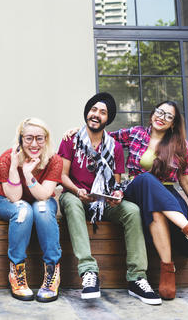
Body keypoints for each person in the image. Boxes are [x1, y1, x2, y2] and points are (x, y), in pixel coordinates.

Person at [109, 100, 188, 300]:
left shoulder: (182, 146)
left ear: (173, 123)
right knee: (146, 178)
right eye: (159, 112)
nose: (161, 118)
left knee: (157, 210)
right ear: (153, 113)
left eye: (168, 116)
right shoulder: (136, 133)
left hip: (166, 196)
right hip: (135, 190)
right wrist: (79, 130)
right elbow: (103, 138)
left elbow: (186, 181)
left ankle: (167, 269)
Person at [59, 93, 161, 305]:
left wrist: (116, 195)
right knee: (69, 200)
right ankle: (88, 272)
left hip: (101, 202)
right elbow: (62, 176)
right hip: (77, 197)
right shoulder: (71, 139)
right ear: (87, 112)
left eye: (102, 112)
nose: (96, 114)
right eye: (93, 110)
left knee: (132, 210)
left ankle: (137, 277)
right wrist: (78, 190)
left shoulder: (113, 146)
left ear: (108, 118)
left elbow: (115, 182)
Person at [0, 118, 63, 302]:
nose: (34, 144)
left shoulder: (54, 160)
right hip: (8, 202)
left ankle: (52, 273)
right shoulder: (7, 158)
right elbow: (15, 197)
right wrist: (16, 167)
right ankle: (16, 273)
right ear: (20, 139)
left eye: (39, 138)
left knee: (41, 209)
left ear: (46, 139)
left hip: (40, 200)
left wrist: (28, 174)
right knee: (23, 210)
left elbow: (44, 195)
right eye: (29, 138)